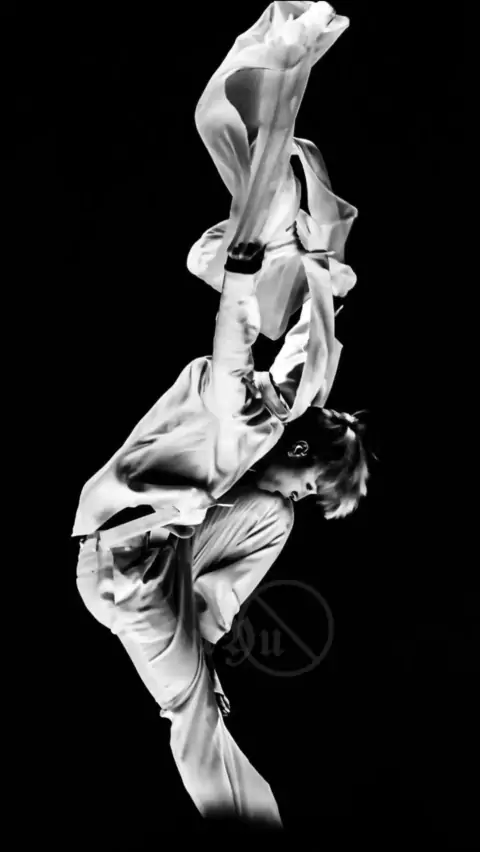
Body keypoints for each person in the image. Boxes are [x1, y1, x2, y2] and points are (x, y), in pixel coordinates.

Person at [73, 1, 369, 832]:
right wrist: (247, 264)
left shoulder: (274, 425)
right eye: (309, 481)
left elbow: (306, 351)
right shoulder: (243, 407)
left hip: (164, 550)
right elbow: (237, 339)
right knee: (192, 712)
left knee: (272, 518)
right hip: (127, 570)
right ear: (300, 452)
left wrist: (318, 270)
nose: (300, 493)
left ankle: (199, 630)